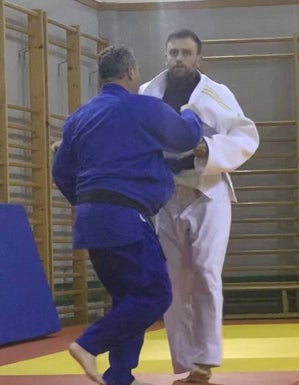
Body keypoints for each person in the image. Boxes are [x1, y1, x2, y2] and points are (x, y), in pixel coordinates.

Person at [52, 45, 203, 385]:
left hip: (92, 218)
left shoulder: (79, 118)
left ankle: (119, 375)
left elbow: (61, 172)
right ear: (132, 73)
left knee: (128, 297)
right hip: (125, 216)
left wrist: (92, 203)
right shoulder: (143, 107)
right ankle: (89, 345)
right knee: (155, 295)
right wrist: (192, 112)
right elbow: (184, 137)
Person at [140, 29, 259, 385]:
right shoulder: (148, 93)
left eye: (186, 53)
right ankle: (188, 364)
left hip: (208, 192)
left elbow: (245, 135)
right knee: (174, 283)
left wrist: (206, 149)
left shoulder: (215, 93)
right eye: (173, 52)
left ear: (198, 58)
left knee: (206, 272)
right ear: (165, 56)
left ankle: (206, 360)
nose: (179, 58)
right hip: (166, 195)